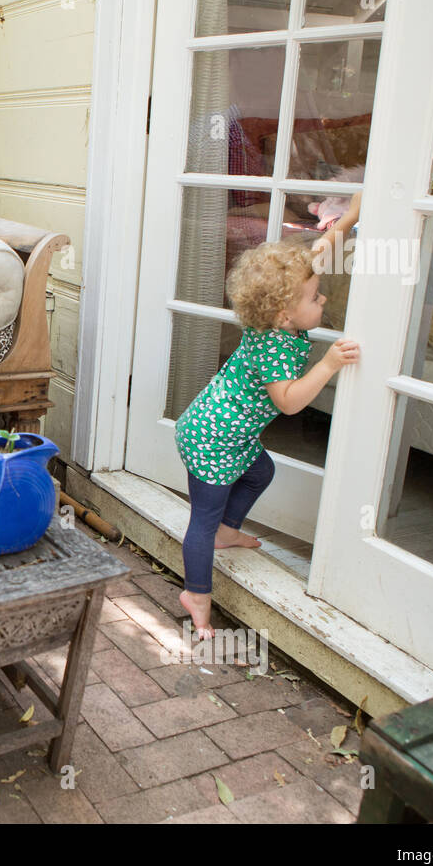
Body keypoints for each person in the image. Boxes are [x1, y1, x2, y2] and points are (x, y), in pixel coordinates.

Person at [173, 241, 361, 639]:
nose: (322, 297)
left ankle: (229, 531)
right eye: (314, 296)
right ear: (283, 313)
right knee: (202, 521)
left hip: (228, 434)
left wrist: (351, 216)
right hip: (212, 439)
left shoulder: (271, 322)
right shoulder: (275, 346)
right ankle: (196, 595)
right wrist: (329, 364)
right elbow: (289, 402)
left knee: (261, 472)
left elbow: (315, 259)